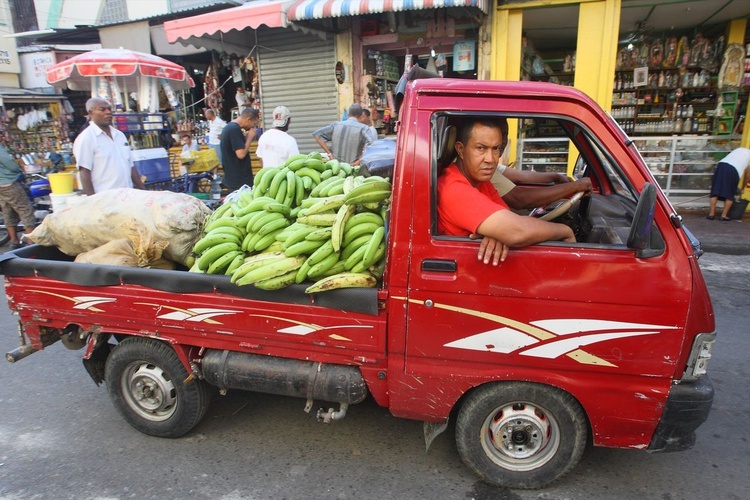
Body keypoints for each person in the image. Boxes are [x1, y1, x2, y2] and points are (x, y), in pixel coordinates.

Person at [437, 117, 576, 265]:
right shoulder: (454, 188)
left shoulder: (480, 181)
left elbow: (507, 218)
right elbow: (517, 231)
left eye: (496, 148)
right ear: (460, 149)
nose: (490, 159)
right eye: (481, 148)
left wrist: (498, 232)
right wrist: (564, 230)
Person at [73, 97, 145, 196]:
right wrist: (93, 201)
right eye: (102, 109)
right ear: (91, 113)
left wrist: (143, 189)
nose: (108, 112)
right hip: (106, 200)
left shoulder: (120, 135)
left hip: (128, 196)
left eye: (109, 109)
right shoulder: (86, 138)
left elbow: (130, 166)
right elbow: (84, 172)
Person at [0, 145, 36, 249]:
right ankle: (31, 242)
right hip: (9, 184)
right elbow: (10, 164)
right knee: (26, 211)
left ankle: (14, 242)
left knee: (8, 212)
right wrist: (18, 170)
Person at [220, 107, 260, 192]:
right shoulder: (234, 129)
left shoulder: (230, 128)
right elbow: (241, 154)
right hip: (238, 181)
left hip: (235, 179)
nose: (253, 127)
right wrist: (249, 138)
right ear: (248, 119)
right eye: (254, 124)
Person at [707, 147, 750, 221]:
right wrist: (742, 188)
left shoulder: (740, 149)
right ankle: (724, 215)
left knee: (715, 191)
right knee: (730, 194)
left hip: (721, 165)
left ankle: (711, 214)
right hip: (733, 170)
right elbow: (747, 176)